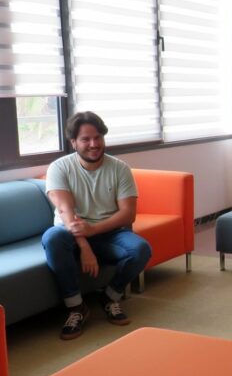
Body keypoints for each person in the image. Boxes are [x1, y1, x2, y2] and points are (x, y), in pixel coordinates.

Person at [42, 111, 152, 340]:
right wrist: (84, 246)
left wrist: (93, 230)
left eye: (98, 137)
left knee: (141, 249)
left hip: (109, 233)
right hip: (70, 235)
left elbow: (128, 215)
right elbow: (66, 212)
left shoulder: (120, 168)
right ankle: (76, 307)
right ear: (73, 142)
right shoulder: (59, 168)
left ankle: (110, 297)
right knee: (53, 237)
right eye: (85, 139)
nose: (94, 144)